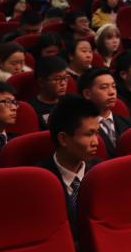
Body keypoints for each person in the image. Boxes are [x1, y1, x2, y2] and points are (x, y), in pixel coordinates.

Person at [39, 96, 100, 236]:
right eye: (88, 134)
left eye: (97, 133)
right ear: (63, 139)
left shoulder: (101, 171)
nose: (96, 142)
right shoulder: (40, 181)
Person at [80, 67, 131, 157]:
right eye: (104, 87)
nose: (112, 92)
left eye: (113, 86)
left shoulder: (129, 123)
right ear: (87, 94)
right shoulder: (80, 129)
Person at [29, 56, 70, 129]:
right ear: (41, 82)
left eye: (65, 78)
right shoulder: (31, 110)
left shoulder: (72, 102)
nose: (63, 83)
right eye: (57, 79)